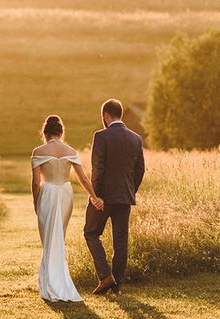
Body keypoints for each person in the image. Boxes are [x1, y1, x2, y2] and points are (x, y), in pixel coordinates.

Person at [30, 115, 102, 302]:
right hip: (65, 193)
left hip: (47, 193)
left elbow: (36, 183)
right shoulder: (70, 150)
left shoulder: (38, 151)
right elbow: (84, 179)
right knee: (59, 237)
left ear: (45, 133)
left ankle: (49, 283)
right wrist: (94, 197)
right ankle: (53, 280)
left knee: (48, 238)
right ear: (61, 133)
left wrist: (36, 202)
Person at [84, 98, 146, 295]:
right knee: (121, 242)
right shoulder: (135, 138)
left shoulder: (101, 136)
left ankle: (105, 276)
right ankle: (117, 286)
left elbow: (98, 168)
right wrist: (130, 190)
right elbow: (140, 170)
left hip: (103, 198)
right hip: (125, 198)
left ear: (105, 116)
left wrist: (95, 196)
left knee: (91, 233)